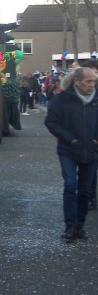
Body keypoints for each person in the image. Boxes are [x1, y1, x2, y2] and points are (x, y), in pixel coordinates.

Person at [44, 67, 98, 241]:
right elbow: (51, 122)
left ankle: (80, 226)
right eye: (88, 81)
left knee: (85, 190)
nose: (92, 85)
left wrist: (96, 140)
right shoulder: (62, 99)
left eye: (94, 81)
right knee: (70, 185)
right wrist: (70, 139)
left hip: (91, 149)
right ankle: (70, 227)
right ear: (77, 82)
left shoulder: (96, 99)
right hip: (68, 149)